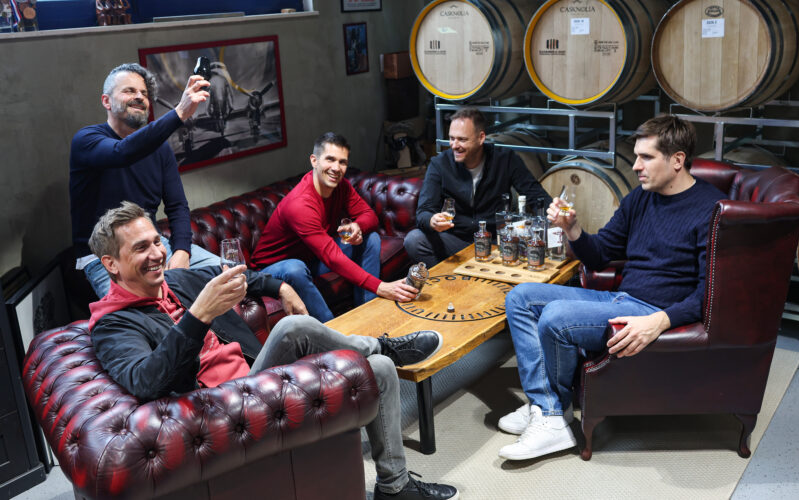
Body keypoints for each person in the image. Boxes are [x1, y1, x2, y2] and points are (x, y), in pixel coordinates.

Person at [88, 202, 459, 500]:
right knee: (292, 328)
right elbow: (147, 380)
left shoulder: (176, 280)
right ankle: (385, 345)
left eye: (157, 241)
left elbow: (239, 276)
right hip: (217, 410)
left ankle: (394, 486)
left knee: (379, 369)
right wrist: (199, 314)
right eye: (141, 248)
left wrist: (280, 287)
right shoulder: (112, 324)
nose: (157, 253)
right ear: (111, 265)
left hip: (255, 382)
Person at [497, 115, 727, 461]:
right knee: (520, 297)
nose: (635, 166)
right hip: (620, 298)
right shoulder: (640, 198)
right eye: (636, 157)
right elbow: (601, 254)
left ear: (677, 160)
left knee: (556, 316)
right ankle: (548, 407)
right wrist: (573, 228)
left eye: (646, 157)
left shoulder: (711, 209)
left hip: (651, 310)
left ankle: (549, 417)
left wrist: (661, 320)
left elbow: (710, 292)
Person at [70, 62, 220, 299]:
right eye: (129, 91)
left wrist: (182, 251)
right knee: (148, 313)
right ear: (106, 101)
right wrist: (179, 113)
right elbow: (122, 152)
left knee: (232, 276)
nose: (139, 97)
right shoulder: (86, 140)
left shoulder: (160, 148)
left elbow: (177, 206)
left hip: (156, 247)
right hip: (105, 257)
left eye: (144, 93)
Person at [251, 132, 418, 322]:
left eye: (342, 162)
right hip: (270, 269)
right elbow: (331, 257)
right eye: (330, 159)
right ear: (314, 161)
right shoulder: (300, 204)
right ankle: (332, 330)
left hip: (311, 258)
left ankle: (369, 313)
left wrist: (358, 226)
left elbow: (369, 216)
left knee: (370, 238)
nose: (336, 168)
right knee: (295, 268)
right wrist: (382, 287)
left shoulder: (341, 187)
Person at [404, 107, 551, 268]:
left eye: (462, 139)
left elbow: (537, 196)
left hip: (496, 244)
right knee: (414, 240)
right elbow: (423, 212)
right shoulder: (440, 164)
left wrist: (557, 215)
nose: (454, 145)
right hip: (456, 243)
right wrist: (432, 220)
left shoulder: (505, 159)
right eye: (451, 138)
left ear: (481, 138)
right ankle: (447, 279)